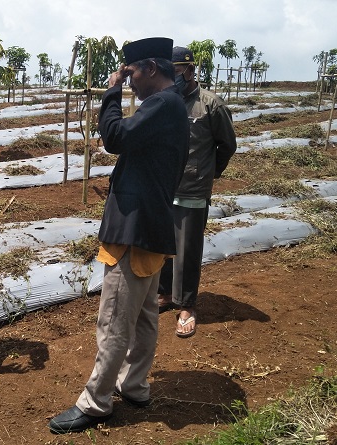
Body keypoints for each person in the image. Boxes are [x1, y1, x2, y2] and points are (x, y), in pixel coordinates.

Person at [48, 37, 189, 434]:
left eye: (131, 74)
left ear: (149, 67)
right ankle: (136, 385)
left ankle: (96, 402)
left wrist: (110, 92)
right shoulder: (174, 105)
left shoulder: (161, 104)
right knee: (144, 315)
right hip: (153, 225)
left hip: (134, 229)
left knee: (114, 318)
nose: (130, 84)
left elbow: (114, 138)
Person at [157, 46, 237, 338]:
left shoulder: (210, 105)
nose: (173, 79)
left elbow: (227, 145)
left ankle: (187, 306)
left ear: (191, 70)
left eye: (177, 73)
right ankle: (165, 294)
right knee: (164, 247)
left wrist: (208, 173)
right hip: (165, 188)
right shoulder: (166, 103)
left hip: (193, 189)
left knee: (187, 251)